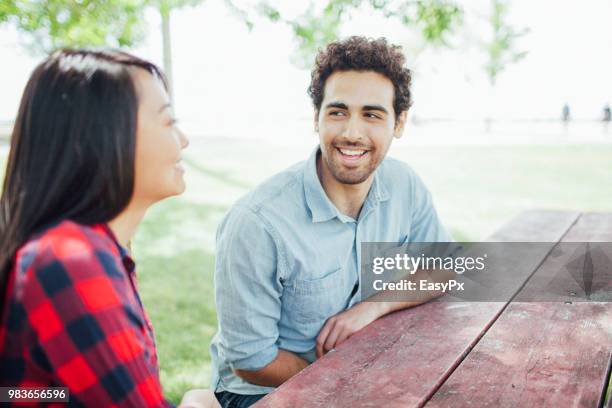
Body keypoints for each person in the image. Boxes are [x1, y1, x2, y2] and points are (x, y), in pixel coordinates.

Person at [210, 36, 452, 408]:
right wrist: (351, 387)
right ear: (316, 118)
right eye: (338, 112)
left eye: (372, 114)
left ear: (399, 122)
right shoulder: (257, 223)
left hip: (361, 372)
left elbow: (444, 267)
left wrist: (375, 305)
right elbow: (251, 361)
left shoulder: (404, 184)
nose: (352, 132)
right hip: (265, 390)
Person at [0, 49, 218, 408]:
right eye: (167, 121)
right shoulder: (70, 259)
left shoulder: (94, 248)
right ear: (106, 137)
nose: (183, 139)